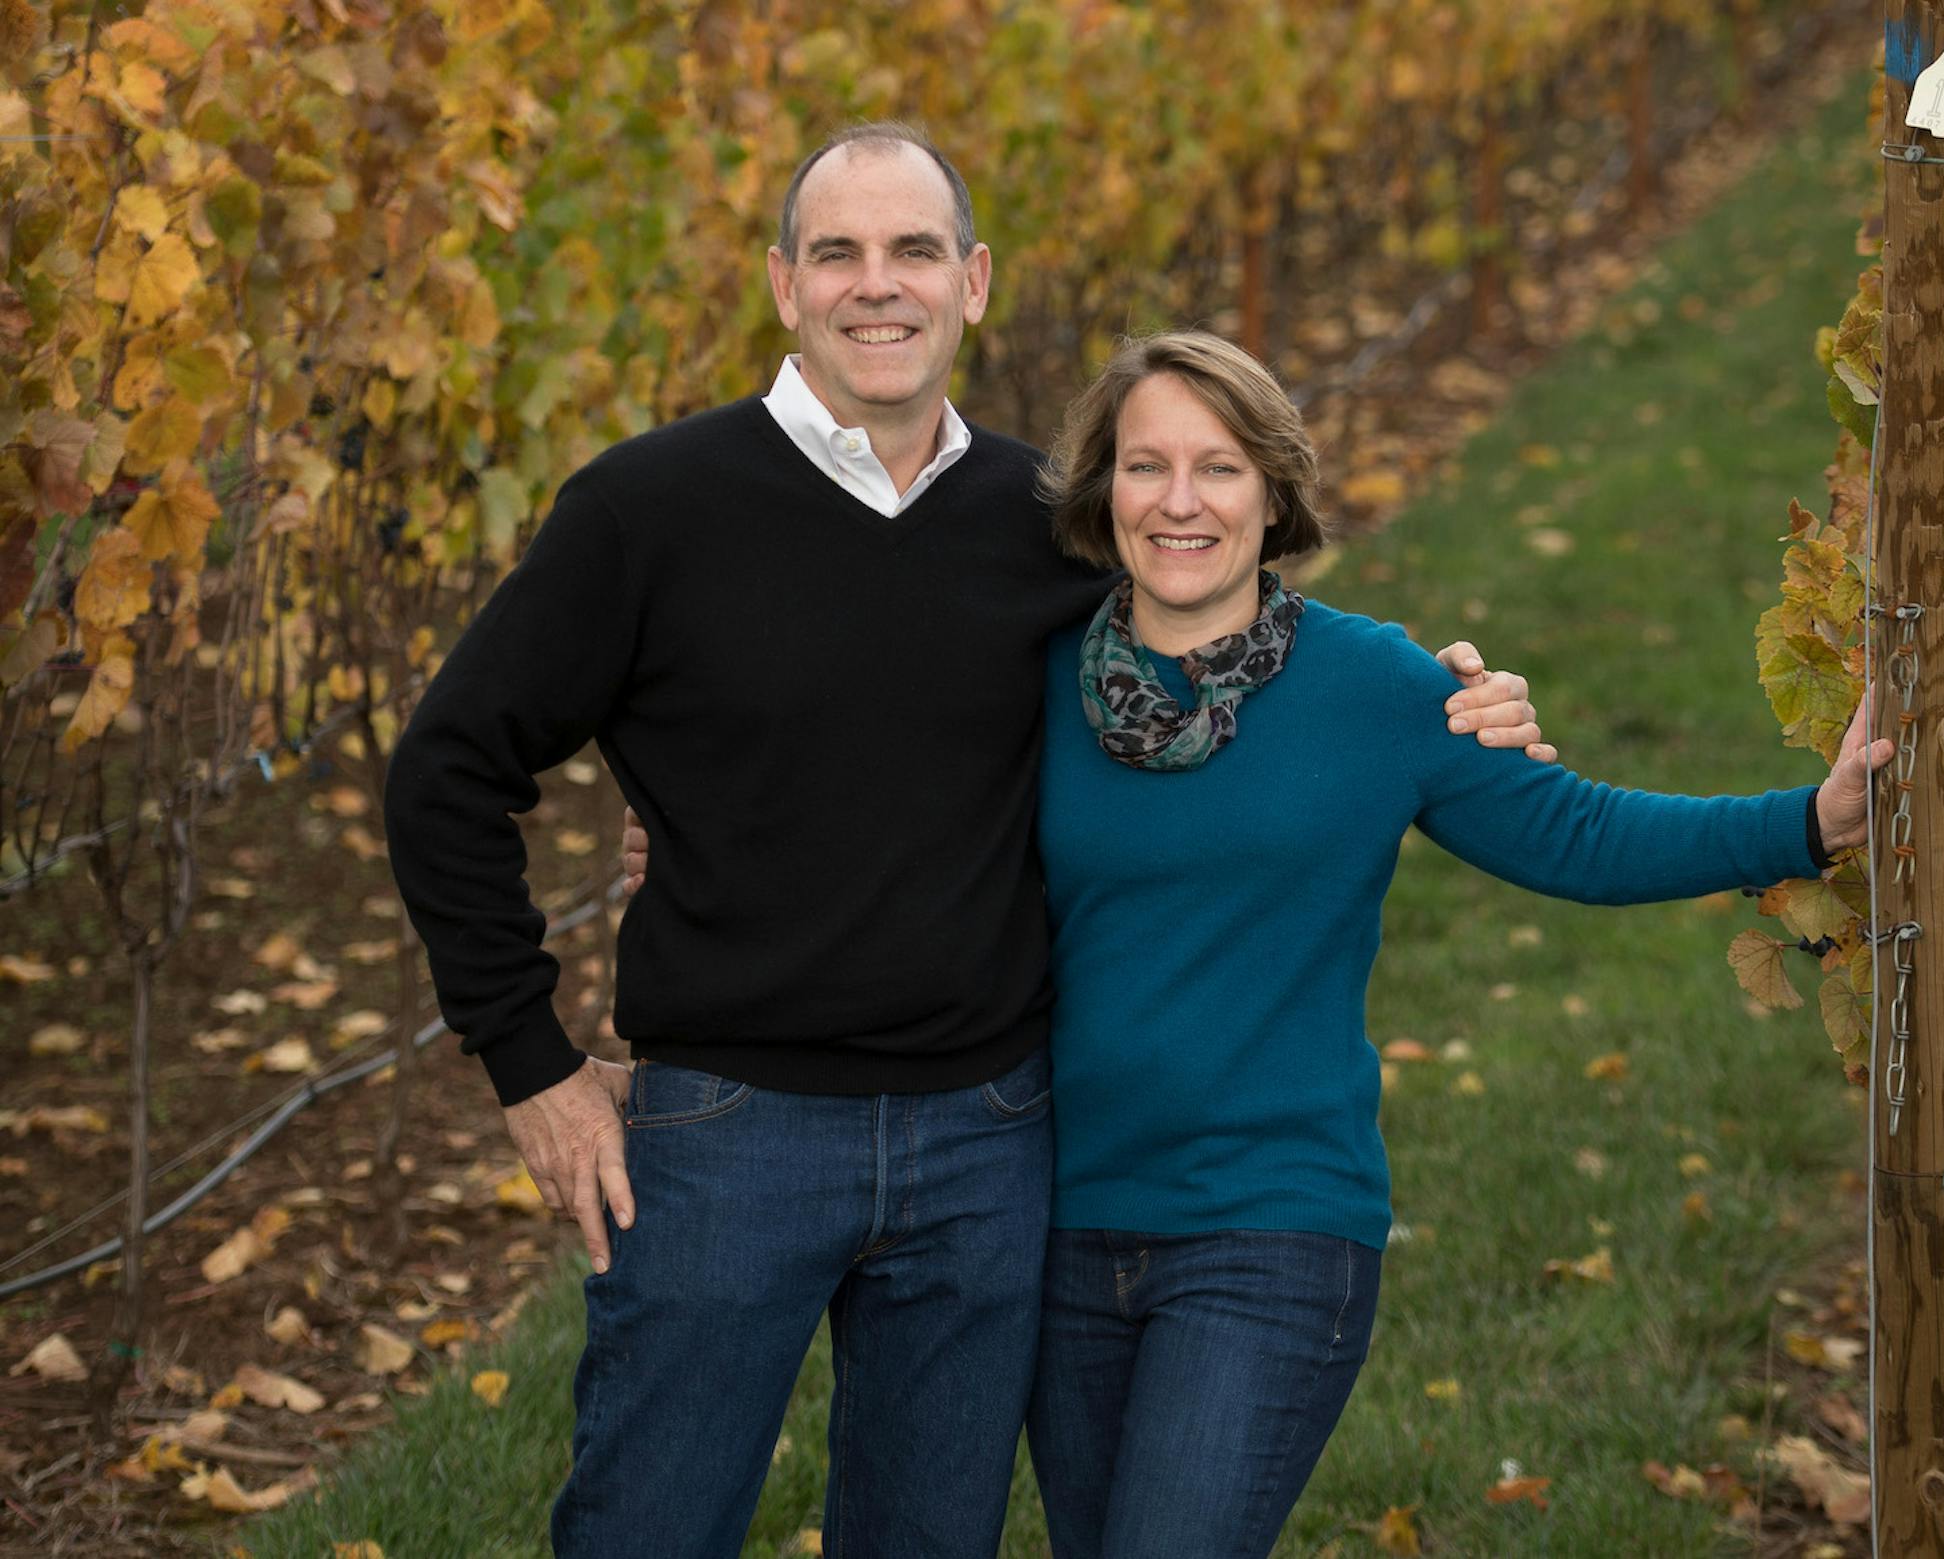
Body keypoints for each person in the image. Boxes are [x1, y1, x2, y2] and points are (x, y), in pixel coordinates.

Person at [382, 122, 1547, 1559]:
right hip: (731, 1130)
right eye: (840, 253)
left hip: (988, 1140)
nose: (881, 286)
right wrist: (533, 1067)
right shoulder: (648, 509)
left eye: (915, 250)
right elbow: (446, 770)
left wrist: (1448, 699)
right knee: (647, 1527)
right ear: (784, 284)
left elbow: (1220, 648)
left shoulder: (1046, 524)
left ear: (974, 280)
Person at [625, 331, 1886, 1557]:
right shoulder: (1030, 676)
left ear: (1275, 495)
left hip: (1272, 1226)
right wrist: (690, 848)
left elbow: (1581, 834)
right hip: (1055, 1222)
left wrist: (1808, 823)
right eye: (1146, 465)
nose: (1182, 502)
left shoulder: (1378, 687)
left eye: (1220, 467)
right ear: (1100, 491)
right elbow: (873, 816)